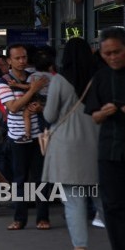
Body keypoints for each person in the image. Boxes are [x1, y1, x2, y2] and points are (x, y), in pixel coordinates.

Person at [42, 37, 102, 250]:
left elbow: (49, 115)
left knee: (74, 201)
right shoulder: (100, 78)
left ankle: (80, 247)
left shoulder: (59, 81)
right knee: (103, 198)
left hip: (66, 148)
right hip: (96, 144)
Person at [0, 43, 50, 230]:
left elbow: (48, 103)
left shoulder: (33, 77)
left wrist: (40, 106)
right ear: (9, 61)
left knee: (40, 178)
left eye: (24, 57)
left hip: (38, 136)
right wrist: (32, 90)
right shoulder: (3, 81)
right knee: (20, 179)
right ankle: (19, 218)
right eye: (17, 58)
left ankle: (43, 217)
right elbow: (12, 107)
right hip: (17, 137)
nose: (22, 61)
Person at [84, 26, 125, 250]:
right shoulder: (100, 77)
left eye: (116, 52)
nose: (112, 57)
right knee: (112, 205)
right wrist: (104, 112)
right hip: (109, 150)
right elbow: (94, 115)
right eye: (107, 54)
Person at [12, 53, 54, 143]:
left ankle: (27, 135)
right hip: (49, 101)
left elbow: (29, 87)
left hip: (38, 99)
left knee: (26, 114)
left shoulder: (34, 76)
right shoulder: (53, 76)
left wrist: (16, 84)